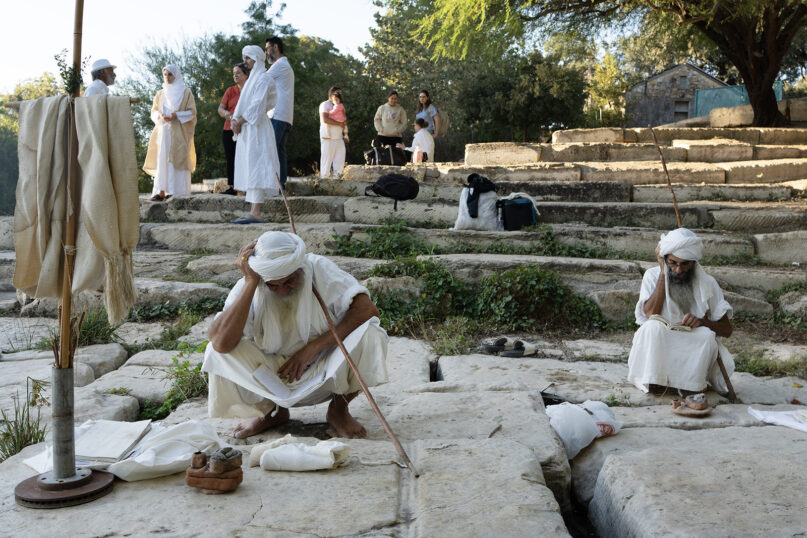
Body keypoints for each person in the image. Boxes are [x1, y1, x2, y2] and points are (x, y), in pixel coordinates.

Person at [202, 231, 389, 439]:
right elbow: (220, 343)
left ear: (299, 268)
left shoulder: (318, 268)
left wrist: (313, 348)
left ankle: (338, 411)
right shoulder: (252, 281)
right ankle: (270, 413)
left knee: (371, 334)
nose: (282, 291)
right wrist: (250, 281)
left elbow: (367, 310)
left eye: (289, 281)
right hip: (273, 372)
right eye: (273, 285)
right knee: (216, 352)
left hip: (325, 364)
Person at [627, 228, 734, 394]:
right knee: (652, 328)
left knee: (706, 335)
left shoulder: (708, 283)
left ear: (693, 262)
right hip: (662, 336)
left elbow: (727, 330)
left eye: (684, 264)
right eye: (673, 263)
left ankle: (691, 386)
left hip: (691, 339)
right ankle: (656, 382)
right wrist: (663, 272)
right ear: (664, 258)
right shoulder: (652, 275)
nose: (678, 270)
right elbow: (650, 314)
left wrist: (702, 322)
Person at [229, 45, 281, 224]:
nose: (245, 62)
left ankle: (256, 211)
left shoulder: (263, 79)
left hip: (257, 128)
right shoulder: (252, 80)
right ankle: (253, 210)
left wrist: (240, 121)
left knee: (258, 165)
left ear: (257, 59)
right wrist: (235, 122)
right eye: (245, 59)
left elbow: (258, 106)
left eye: (248, 59)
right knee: (250, 165)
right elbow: (244, 104)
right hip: (248, 128)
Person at [143, 65, 197, 201]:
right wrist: (160, 116)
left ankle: (175, 192)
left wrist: (176, 115)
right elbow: (153, 111)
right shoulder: (160, 94)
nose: (167, 77)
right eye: (165, 74)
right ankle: (161, 191)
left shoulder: (186, 92)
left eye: (170, 74)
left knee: (177, 160)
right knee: (162, 160)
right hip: (164, 132)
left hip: (180, 133)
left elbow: (192, 113)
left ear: (176, 76)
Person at [265, 36, 294, 188]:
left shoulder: (280, 64)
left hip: (278, 114)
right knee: (279, 151)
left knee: (271, 151)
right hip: (285, 116)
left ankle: (273, 185)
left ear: (275, 47)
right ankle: (280, 185)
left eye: (267, 49)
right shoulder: (285, 65)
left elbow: (262, 80)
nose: (266, 53)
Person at [217, 62, 250, 195]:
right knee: (231, 158)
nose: (235, 75)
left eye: (238, 73)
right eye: (233, 73)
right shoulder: (230, 90)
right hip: (229, 129)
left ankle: (248, 186)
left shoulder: (251, 90)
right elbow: (220, 108)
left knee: (246, 157)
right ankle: (233, 187)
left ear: (246, 75)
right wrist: (228, 115)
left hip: (247, 128)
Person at [319, 87, 348, 178]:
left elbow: (343, 119)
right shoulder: (325, 104)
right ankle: (323, 184)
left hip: (339, 137)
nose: (339, 95)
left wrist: (344, 123)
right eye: (337, 93)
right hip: (328, 137)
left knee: (340, 162)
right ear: (331, 95)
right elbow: (325, 119)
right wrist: (339, 123)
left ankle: (337, 183)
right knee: (326, 163)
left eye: (340, 93)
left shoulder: (340, 105)